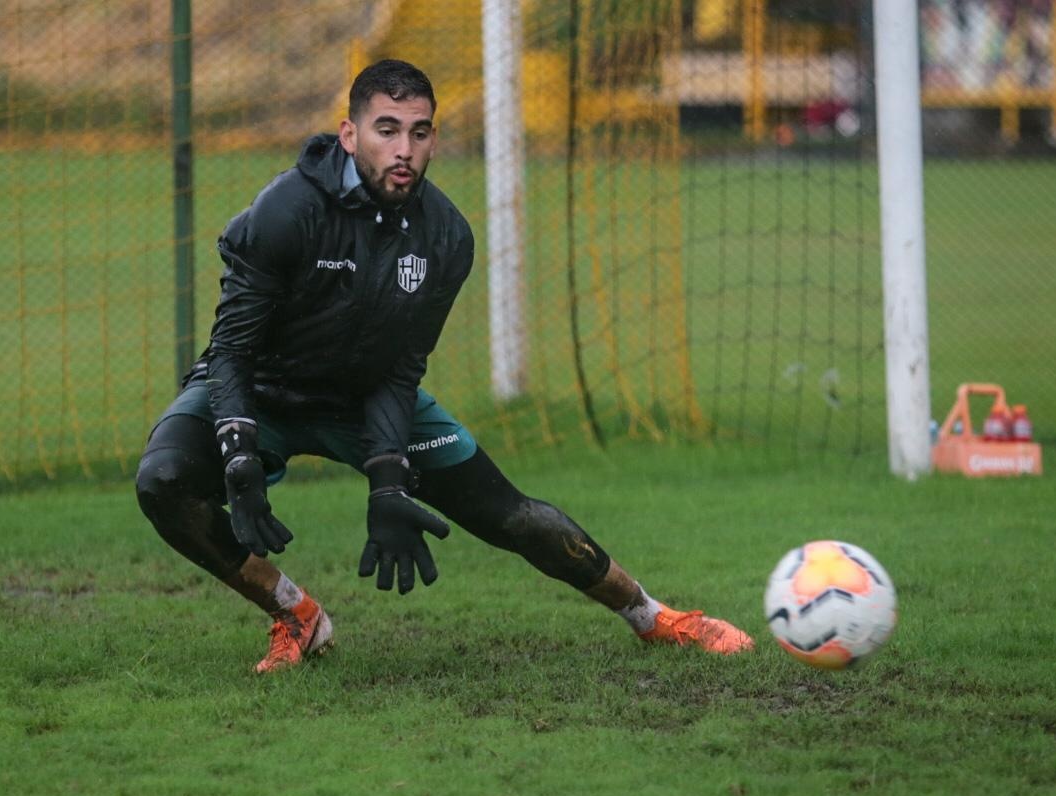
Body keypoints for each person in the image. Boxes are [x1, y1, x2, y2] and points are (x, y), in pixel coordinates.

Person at [135, 59, 753, 674]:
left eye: (419, 132)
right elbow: (231, 350)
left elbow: (398, 371)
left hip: (363, 394)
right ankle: (294, 611)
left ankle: (654, 616)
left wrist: (388, 481)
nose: (403, 149)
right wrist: (238, 453)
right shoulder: (286, 210)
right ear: (349, 135)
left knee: (513, 517)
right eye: (386, 130)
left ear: (434, 139)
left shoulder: (447, 238)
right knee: (163, 482)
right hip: (260, 388)